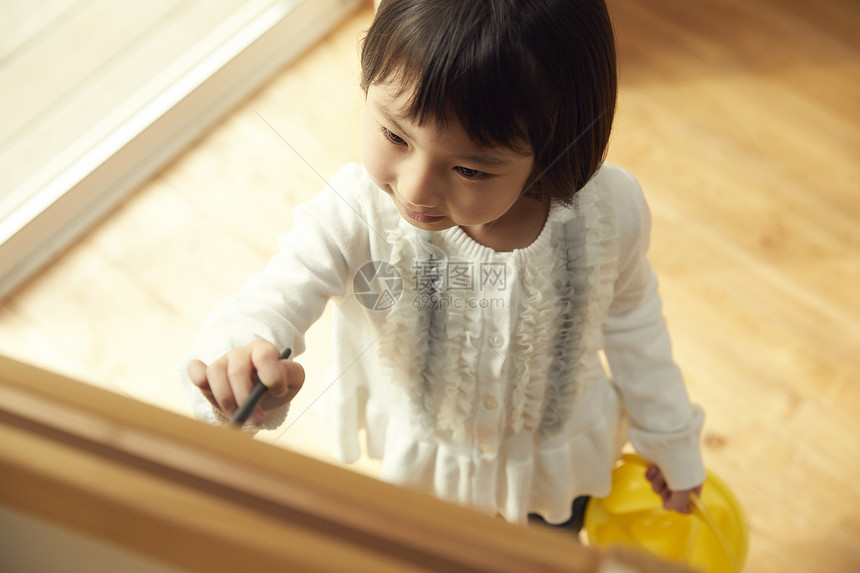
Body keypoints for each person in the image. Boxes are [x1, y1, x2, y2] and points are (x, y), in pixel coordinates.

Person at [181, 0, 706, 528]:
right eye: (394, 136)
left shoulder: (609, 212)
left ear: (552, 152)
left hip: (556, 468)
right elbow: (273, 295)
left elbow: (633, 317)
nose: (414, 189)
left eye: (470, 170)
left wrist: (669, 435)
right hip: (429, 478)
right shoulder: (356, 212)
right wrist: (241, 353)